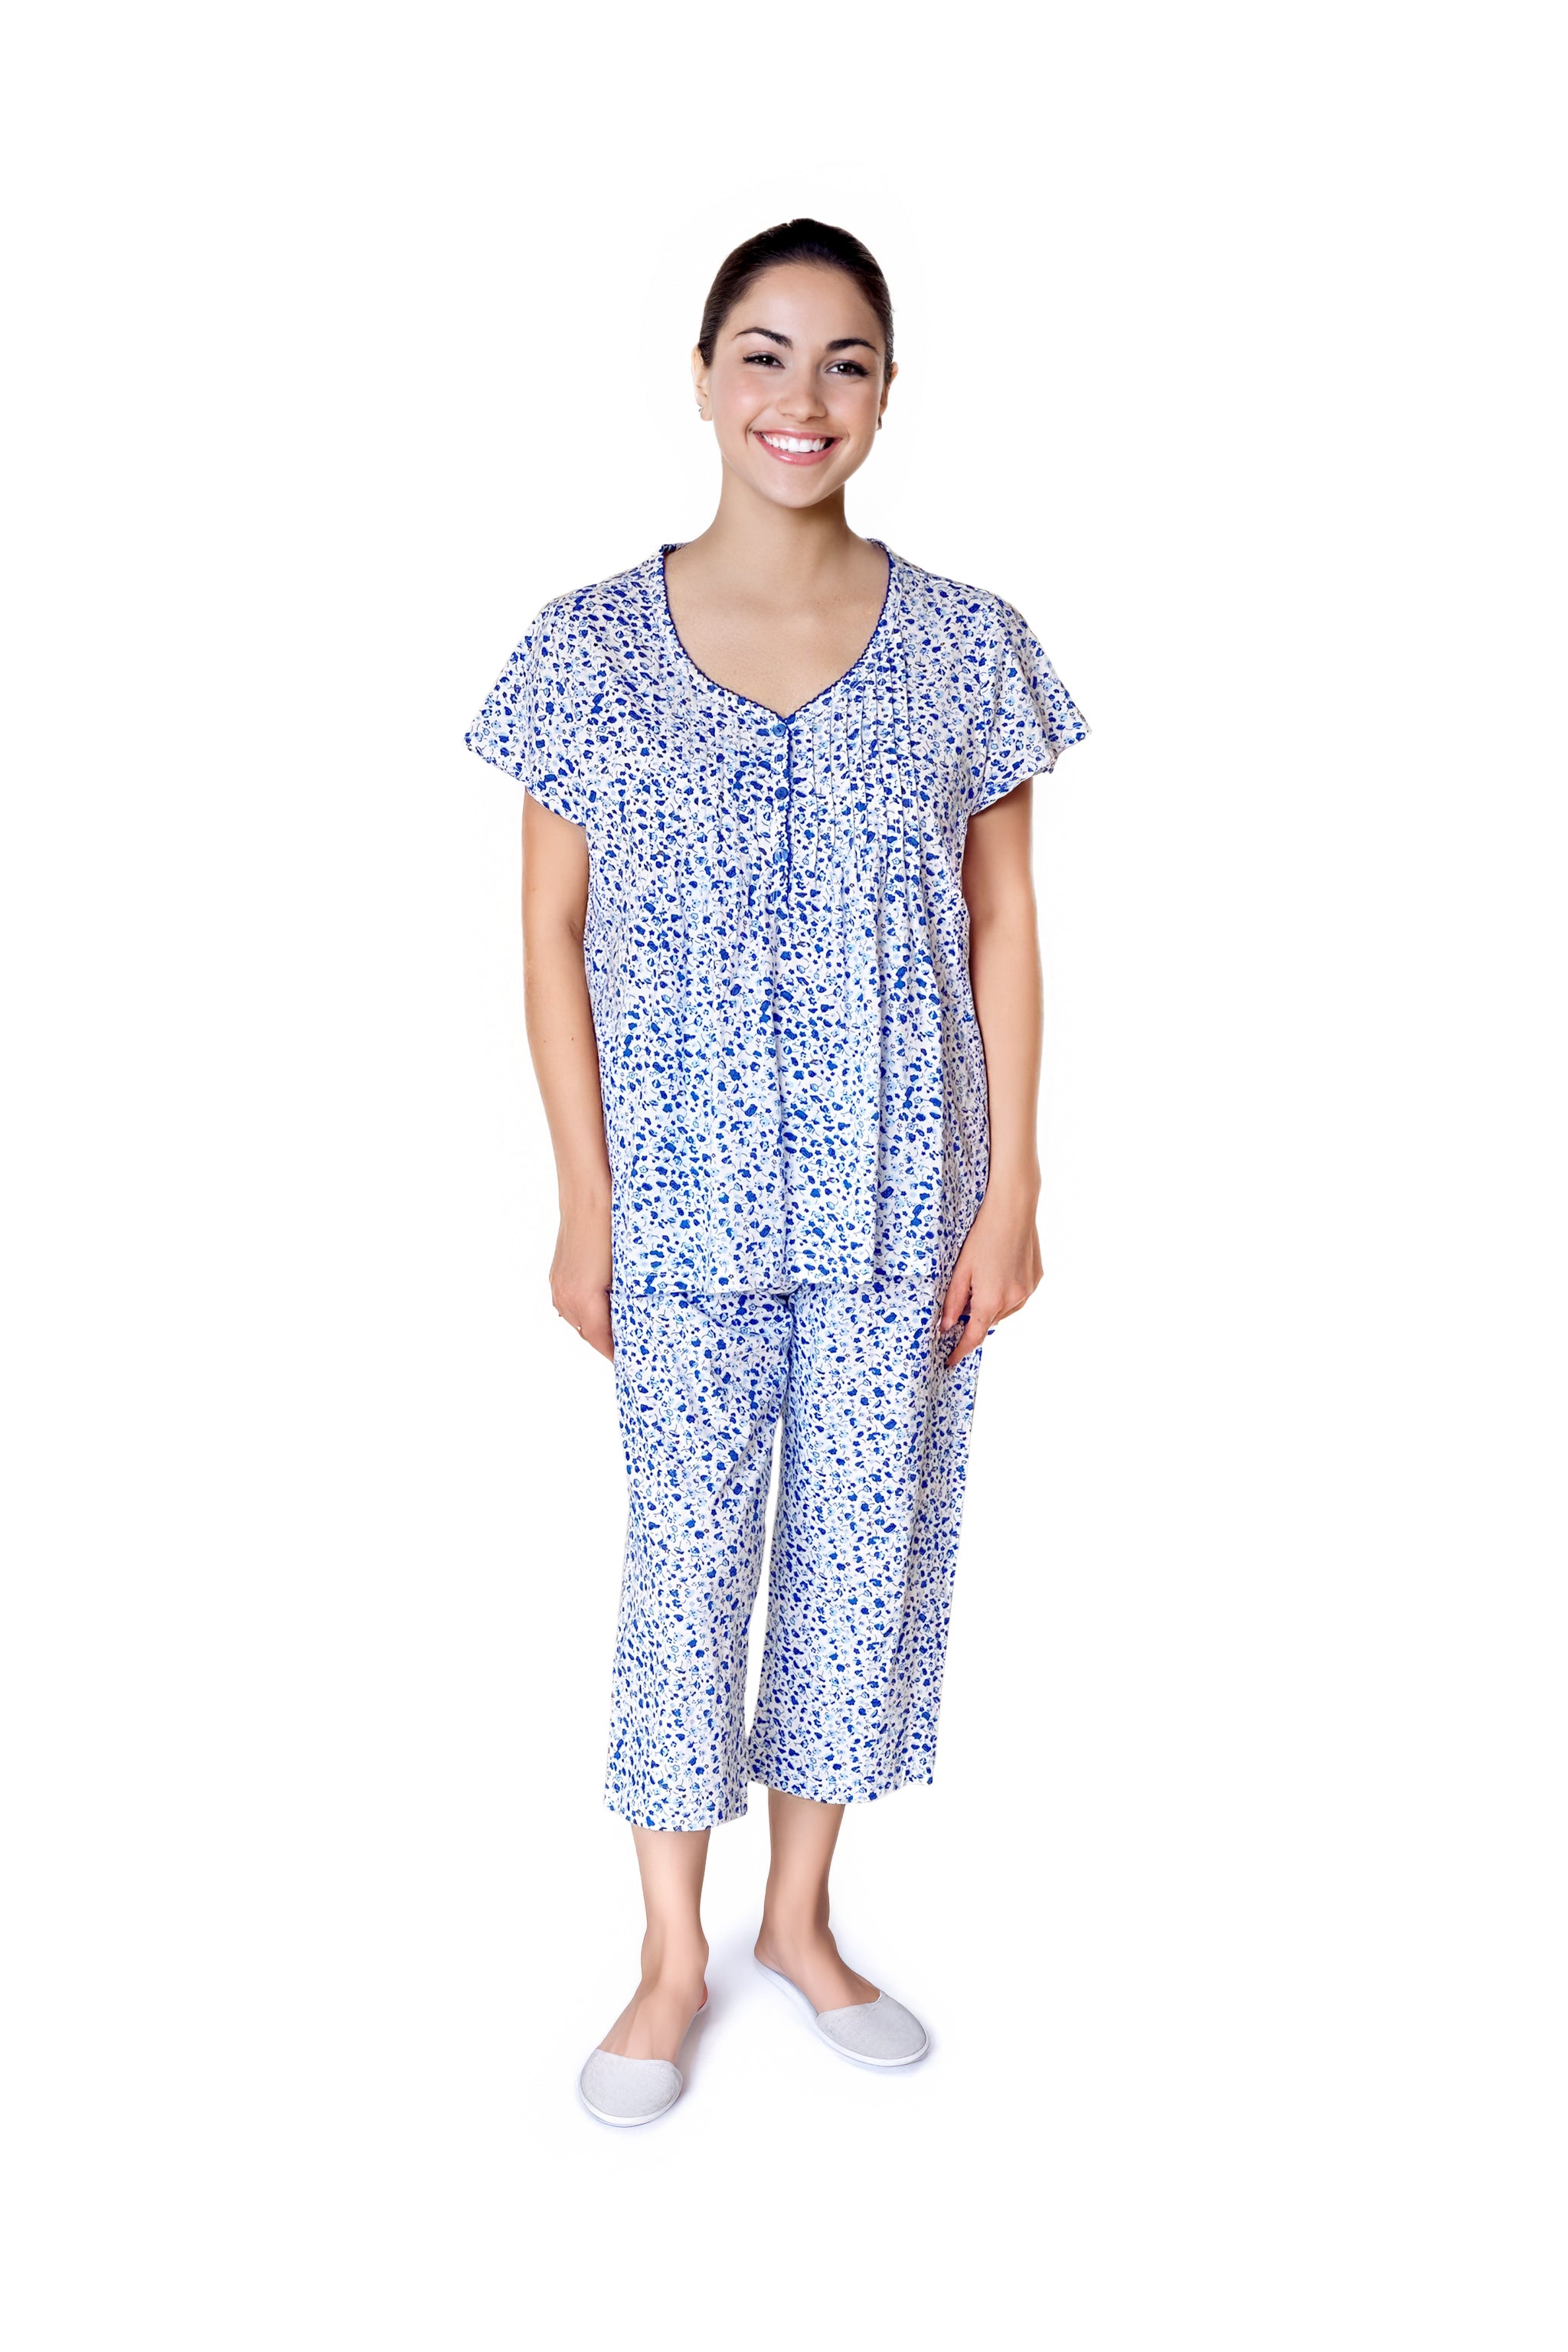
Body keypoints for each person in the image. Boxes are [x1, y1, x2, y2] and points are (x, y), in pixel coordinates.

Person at [466, 217, 1091, 2126]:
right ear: (700, 375)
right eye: (763, 352)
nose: (800, 397)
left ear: (887, 393)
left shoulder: (970, 646)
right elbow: (547, 935)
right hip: (677, 1200)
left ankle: (802, 1921)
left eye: (844, 361)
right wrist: (581, 1200)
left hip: (908, 1193)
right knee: (684, 1561)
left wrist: (1015, 1189)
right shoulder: (583, 648)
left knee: (859, 1554)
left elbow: (1005, 923)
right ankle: (670, 1956)